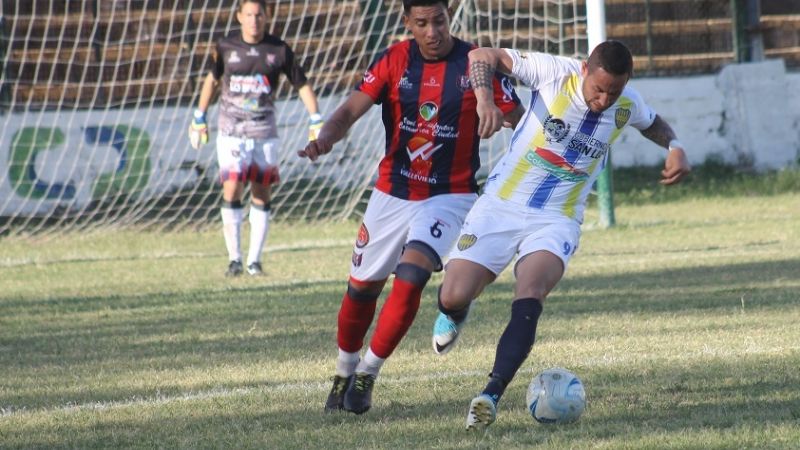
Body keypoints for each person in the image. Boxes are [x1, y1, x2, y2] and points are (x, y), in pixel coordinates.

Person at [430, 40, 691, 429]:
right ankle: (455, 311)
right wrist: (485, 100)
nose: (603, 99)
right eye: (598, 88)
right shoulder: (554, 73)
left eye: (613, 91)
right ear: (585, 69)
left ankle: (490, 394)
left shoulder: (626, 103)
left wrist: (675, 146)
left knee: (530, 292)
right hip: (501, 205)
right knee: (453, 294)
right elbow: (480, 56)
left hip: (557, 218)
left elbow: (653, 123)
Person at [299, 0, 524, 415]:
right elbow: (350, 110)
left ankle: (367, 373)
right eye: (422, 23)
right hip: (391, 193)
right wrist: (326, 138)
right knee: (361, 289)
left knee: (412, 275)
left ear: (448, 18)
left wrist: (503, 115)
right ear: (408, 23)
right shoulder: (394, 60)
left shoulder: (475, 64)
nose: (432, 31)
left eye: (439, 21)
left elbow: (520, 118)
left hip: (449, 195)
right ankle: (343, 373)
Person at [189, 0, 324, 277]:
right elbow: (212, 80)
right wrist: (199, 116)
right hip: (232, 130)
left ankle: (254, 261)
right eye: (248, 14)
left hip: (264, 130)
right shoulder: (226, 47)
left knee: (261, 191)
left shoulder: (279, 49)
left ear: (267, 16)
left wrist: (316, 118)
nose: (254, 20)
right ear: (239, 16)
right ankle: (234, 259)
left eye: (259, 14)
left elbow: (302, 84)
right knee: (232, 187)